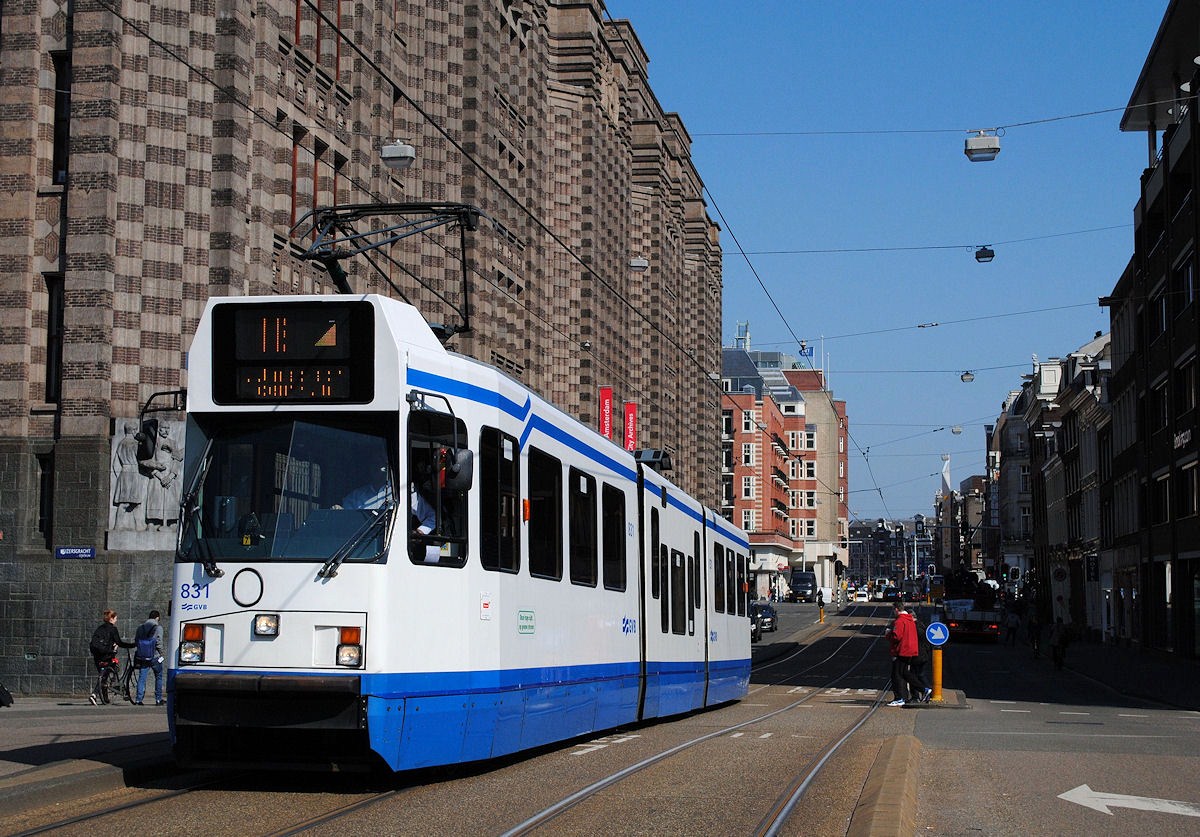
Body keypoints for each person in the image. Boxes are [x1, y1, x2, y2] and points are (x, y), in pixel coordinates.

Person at [88, 610, 135, 705]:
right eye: (115, 618)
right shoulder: (113, 629)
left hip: (98, 656)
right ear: (111, 618)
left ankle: (105, 698)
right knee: (109, 671)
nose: (116, 620)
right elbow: (120, 643)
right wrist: (132, 645)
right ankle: (94, 694)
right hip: (107, 655)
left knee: (104, 676)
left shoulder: (100, 628)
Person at [885, 603, 924, 706]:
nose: (893, 612)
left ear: (897, 609)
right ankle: (920, 691)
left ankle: (902, 697)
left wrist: (888, 634)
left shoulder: (900, 621)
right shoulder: (909, 620)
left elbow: (897, 637)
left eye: (894, 610)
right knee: (903, 673)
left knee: (897, 675)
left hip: (902, 651)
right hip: (909, 650)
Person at [133, 610, 165, 706]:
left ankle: (138, 699)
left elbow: (136, 641)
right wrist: (162, 654)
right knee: (158, 676)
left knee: (142, 677)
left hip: (143, 657)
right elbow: (159, 642)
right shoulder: (158, 628)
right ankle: (158, 699)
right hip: (155, 656)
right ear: (157, 618)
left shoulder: (140, 627)